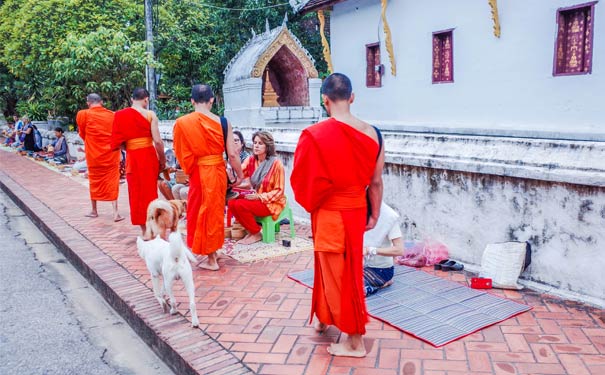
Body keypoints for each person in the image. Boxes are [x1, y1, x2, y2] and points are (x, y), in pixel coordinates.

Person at [290, 73, 384, 358]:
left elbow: (302, 180)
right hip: (356, 209)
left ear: (325, 100)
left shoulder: (314, 135)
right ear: (352, 97)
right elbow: (376, 182)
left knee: (341, 275)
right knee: (339, 270)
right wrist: (374, 213)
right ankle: (325, 316)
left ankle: (355, 341)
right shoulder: (373, 133)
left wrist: (312, 203)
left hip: (330, 212)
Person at [173, 84, 243, 270]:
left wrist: (190, 169)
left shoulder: (182, 123)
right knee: (214, 213)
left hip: (198, 172)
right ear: (212, 99)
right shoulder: (223, 122)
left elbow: (181, 153)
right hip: (218, 172)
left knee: (204, 213)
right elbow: (233, 154)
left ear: (192, 101)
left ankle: (212, 259)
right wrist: (240, 174)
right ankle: (214, 250)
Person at [111, 88, 166, 234]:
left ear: (132, 99)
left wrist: (131, 146)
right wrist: (163, 160)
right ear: (146, 99)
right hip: (148, 157)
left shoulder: (120, 115)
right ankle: (153, 227)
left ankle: (144, 230)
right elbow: (158, 141)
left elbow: (118, 142)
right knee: (150, 193)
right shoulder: (149, 115)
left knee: (135, 194)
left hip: (132, 158)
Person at [228, 131, 286, 245]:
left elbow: (279, 191)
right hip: (256, 198)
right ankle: (250, 231)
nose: (256, 145)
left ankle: (256, 233)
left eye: (260, 143)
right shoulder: (251, 161)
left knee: (240, 205)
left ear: (267, 146)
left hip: (271, 202)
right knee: (231, 202)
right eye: (255, 142)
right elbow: (238, 174)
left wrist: (259, 196)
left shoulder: (276, 164)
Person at [77, 93, 124, 222]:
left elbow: (82, 133)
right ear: (101, 102)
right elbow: (117, 134)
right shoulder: (113, 115)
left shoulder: (83, 114)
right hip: (111, 154)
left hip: (93, 155)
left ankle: (94, 210)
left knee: (94, 181)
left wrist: (92, 142)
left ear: (88, 103)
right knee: (112, 182)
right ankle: (115, 213)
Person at [362, 202, 404, 296]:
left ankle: (381, 283)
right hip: (360, 266)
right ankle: (381, 283)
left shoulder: (388, 217)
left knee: (351, 290)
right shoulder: (359, 210)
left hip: (380, 270)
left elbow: (399, 250)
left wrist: (370, 250)